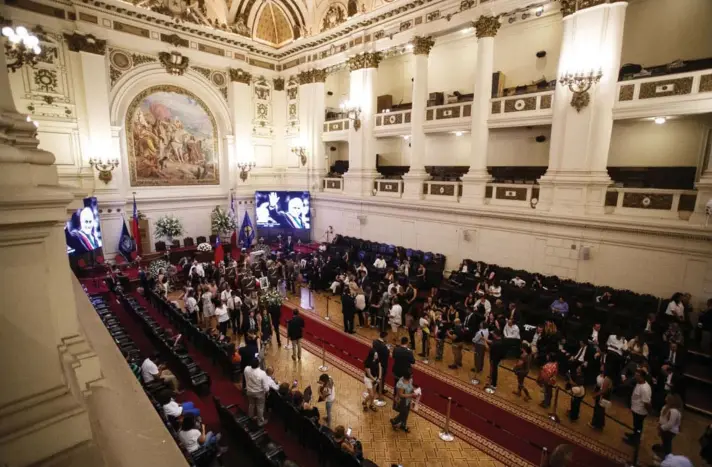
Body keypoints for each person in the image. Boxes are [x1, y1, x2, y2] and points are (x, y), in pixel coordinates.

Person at [244, 358, 278, 426]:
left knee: (251, 404)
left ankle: (250, 417)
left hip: (249, 391)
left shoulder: (246, 369)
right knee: (260, 407)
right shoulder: (262, 374)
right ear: (258, 364)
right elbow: (266, 388)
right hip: (259, 394)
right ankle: (260, 422)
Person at [624, 369, 652, 445]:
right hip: (636, 409)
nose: (635, 376)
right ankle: (634, 435)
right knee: (636, 426)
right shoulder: (639, 383)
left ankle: (635, 441)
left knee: (638, 427)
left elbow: (647, 403)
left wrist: (649, 412)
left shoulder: (645, 389)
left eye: (637, 375)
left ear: (641, 376)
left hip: (640, 412)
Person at [589, 365, 613, 430]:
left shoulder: (607, 379)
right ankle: (598, 424)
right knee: (597, 409)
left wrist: (596, 395)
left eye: (603, 366)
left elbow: (603, 390)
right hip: (600, 394)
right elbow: (598, 384)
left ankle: (596, 424)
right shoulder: (601, 375)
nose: (601, 366)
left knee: (599, 410)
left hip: (603, 396)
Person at [363, 347, 381, 412]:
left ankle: (371, 404)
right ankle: (364, 402)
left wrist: (379, 377)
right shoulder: (367, 362)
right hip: (368, 379)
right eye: (375, 355)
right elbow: (369, 374)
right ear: (372, 355)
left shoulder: (377, 360)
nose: (377, 356)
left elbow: (380, 367)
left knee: (373, 393)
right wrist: (376, 380)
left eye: (377, 355)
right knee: (371, 394)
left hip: (375, 378)